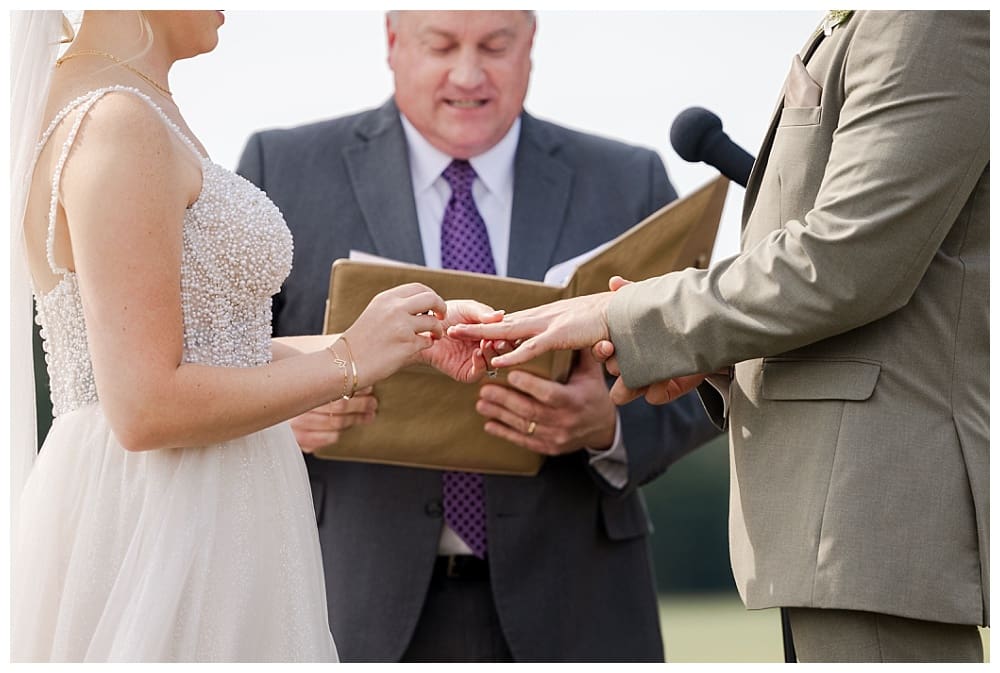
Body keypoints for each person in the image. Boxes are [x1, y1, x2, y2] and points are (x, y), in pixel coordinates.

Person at [450, 10, 989, 663]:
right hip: (832, 523)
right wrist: (714, 358)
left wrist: (625, 318)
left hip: (872, 512)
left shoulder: (927, 19)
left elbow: (850, 261)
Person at [9, 10, 501, 662]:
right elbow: (144, 405)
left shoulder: (132, 105)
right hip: (165, 527)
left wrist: (400, 340)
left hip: (209, 510)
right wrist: (350, 359)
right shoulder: (116, 120)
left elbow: (213, 351)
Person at [237, 10, 719, 663]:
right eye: (443, 45)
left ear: (530, 46)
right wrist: (285, 416)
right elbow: (218, 372)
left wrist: (606, 426)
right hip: (347, 603)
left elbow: (705, 384)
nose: (469, 74)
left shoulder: (629, 180)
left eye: (495, 45)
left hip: (580, 605)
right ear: (393, 44)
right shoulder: (283, 168)